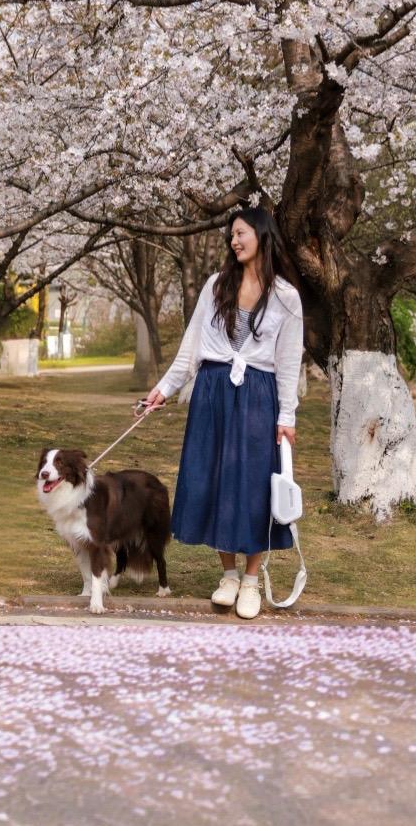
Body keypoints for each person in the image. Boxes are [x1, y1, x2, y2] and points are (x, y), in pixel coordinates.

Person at [141, 206, 303, 620]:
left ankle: (251, 581)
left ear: (262, 236)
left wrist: (287, 417)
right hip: (212, 392)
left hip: (258, 397)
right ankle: (228, 576)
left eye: (242, 233)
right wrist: (163, 390)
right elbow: (191, 347)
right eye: (231, 235)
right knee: (214, 480)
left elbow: (287, 364)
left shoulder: (286, 297)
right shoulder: (217, 285)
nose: (234, 240)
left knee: (252, 487)